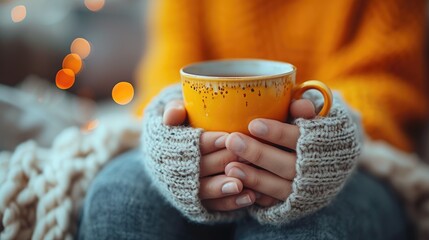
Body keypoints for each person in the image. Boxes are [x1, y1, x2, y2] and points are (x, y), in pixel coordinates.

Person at [79, 0, 428, 239]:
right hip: (199, 144)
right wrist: (170, 128)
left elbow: (386, 77)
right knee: (118, 202)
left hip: (357, 155)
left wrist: (334, 134)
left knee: (308, 230)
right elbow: (170, 65)